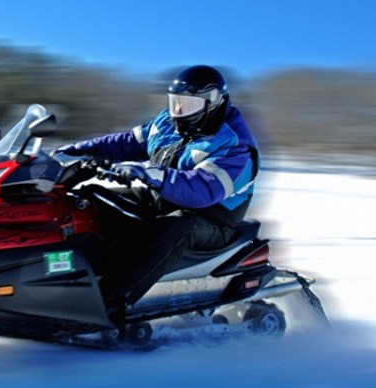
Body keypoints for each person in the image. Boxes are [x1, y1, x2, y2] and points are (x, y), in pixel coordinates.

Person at [56, 65, 260, 308]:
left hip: (212, 219)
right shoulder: (168, 123)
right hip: (163, 196)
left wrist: (151, 173)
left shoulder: (234, 145)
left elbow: (201, 190)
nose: (179, 111)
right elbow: (127, 142)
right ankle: (84, 270)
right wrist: (80, 150)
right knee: (92, 198)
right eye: (176, 103)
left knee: (176, 226)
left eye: (189, 104)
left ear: (212, 103)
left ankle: (113, 300)